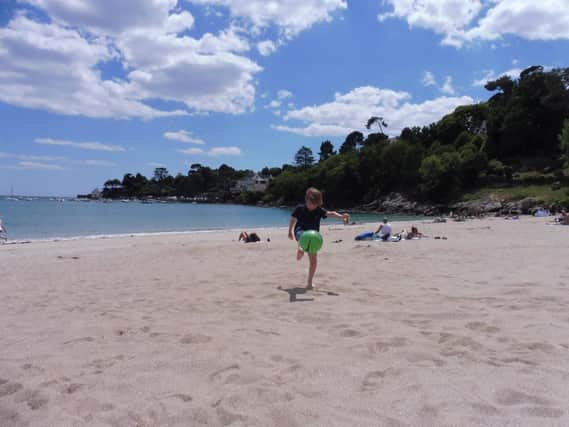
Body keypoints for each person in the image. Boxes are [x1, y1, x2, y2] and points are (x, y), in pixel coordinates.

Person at [288, 187, 350, 290]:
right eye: (310, 203)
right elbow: (293, 219)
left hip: (314, 238)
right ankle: (301, 248)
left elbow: (332, 213)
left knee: (314, 262)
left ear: (318, 203)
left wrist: (341, 216)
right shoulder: (300, 208)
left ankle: (309, 283)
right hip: (300, 232)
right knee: (304, 236)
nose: (312, 206)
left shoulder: (319, 210)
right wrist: (290, 231)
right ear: (306, 199)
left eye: (314, 204)